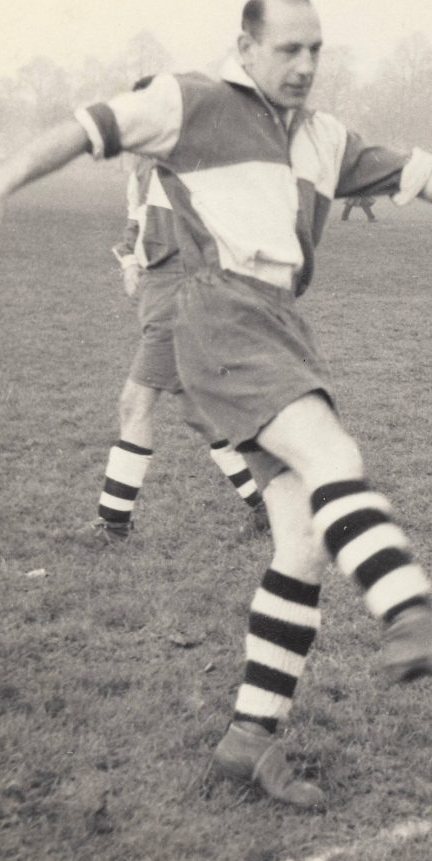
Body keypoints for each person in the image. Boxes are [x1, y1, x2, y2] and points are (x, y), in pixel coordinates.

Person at [0, 0, 432, 810]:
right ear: (248, 46)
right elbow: (84, 129)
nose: (304, 65)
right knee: (333, 455)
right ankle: (411, 619)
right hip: (216, 307)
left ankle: (248, 739)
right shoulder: (189, 100)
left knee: (299, 538)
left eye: (315, 50)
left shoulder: (324, 139)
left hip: (275, 320)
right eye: (288, 49)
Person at [81, 99, 268, 547]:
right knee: (198, 412)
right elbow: (135, 225)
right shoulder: (142, 170)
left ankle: (113, 525)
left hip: (182, 294)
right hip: (156, 290)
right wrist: (129, 263)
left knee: (134, 403)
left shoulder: (195, 165)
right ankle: (269, 505)